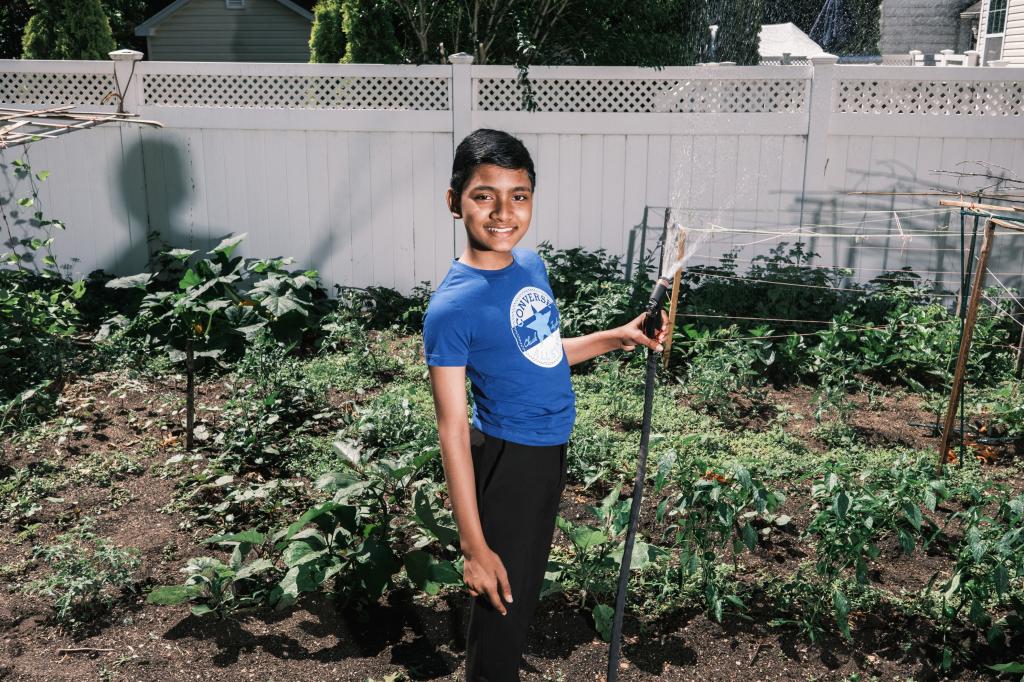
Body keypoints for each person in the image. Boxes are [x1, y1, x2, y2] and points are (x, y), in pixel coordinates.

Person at [423, 128, 667, 681]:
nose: (504, 211)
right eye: (484, 195)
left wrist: (616, 336)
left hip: (548, 451)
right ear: (453, 202)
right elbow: (452, 429)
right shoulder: (451, 308)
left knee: (522, 593)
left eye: (520, 195)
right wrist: (473, 545)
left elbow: (541, 351)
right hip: (509, 460)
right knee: (501, 608)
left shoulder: (529, 266)